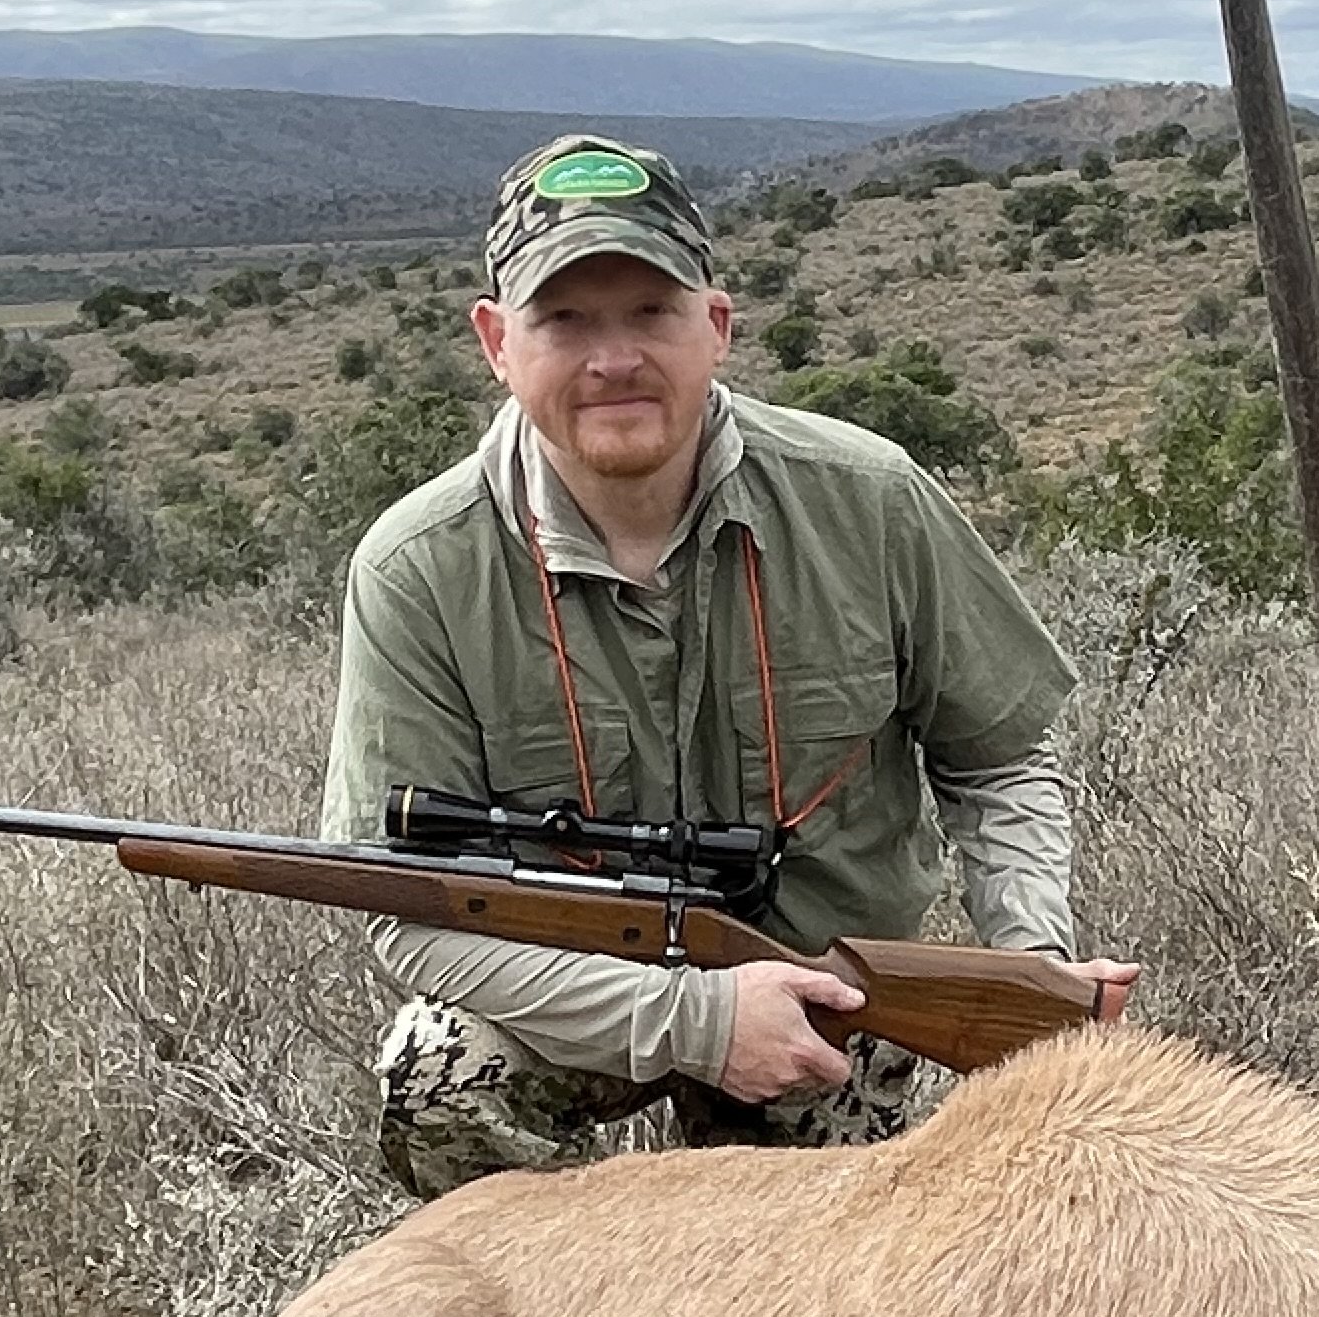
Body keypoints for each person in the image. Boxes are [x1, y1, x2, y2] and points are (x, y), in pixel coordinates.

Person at [321, 132, 1137, 1197]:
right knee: (442, 1078)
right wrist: (695, 1023)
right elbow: (404, 910)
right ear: (495, 341)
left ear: (715, 323)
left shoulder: (872, 498)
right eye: (563, 320)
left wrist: (1028, 977)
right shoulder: (417, 568)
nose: (613, 358)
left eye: (651, 313)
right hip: (571, 994)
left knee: (844, 1281)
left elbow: (1000, 758)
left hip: (830, 993)